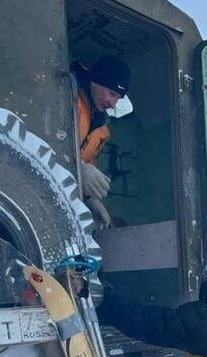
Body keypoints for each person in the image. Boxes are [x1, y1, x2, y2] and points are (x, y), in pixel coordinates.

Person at [72, 54, 131, 229]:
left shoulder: (102, 133)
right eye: (111, 94)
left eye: (118, 98)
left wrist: (92, 200)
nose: (112, 104)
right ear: (96, 81)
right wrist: (78, 168)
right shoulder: (66, 99)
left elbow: (87, 170)